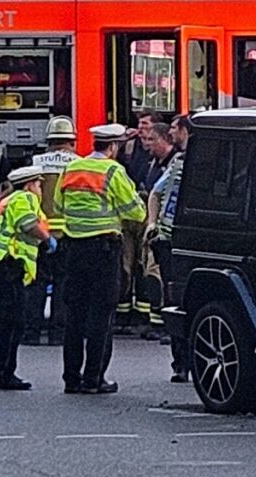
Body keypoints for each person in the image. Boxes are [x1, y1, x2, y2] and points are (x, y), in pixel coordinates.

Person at [57, 124, 146, 395]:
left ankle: (71, 378)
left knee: (75, 315)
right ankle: (93, 378)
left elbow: (59, 205)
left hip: (73, 250)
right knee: (101, 314)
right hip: (103, 250)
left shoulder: (71, 168)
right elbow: (135, 213)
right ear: (114, 147)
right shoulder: (113, 171)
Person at [0, 166, 55, 390]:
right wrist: (47, 239)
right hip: (6, 263)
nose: (40, 189)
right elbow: (27, 224)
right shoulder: (24, 197)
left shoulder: (8, 201)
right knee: (13, 321)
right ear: (30, 184)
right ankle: (3, 374)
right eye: (39, 184)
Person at [27, 116, 80, 346]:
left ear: (49, 140)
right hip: (68, 234)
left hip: (40, 233)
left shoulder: (36, 162)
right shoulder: (78, 164)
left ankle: (31, 332)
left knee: (36, 283)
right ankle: (59, 333)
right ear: (72, 141)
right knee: (63, 285)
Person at [146, 114, 191, 382]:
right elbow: (156, 193)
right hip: (168, 238)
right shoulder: (177, 162)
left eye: (175, 128)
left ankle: (191, 361)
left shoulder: (206, 162)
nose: (172, 132)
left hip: (191, 239)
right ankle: (180, 364)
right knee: (173, 299)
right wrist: (153, 224)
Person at [115, 109, 161, 334]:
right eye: (140, 124)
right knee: (125, 264)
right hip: (128, 213)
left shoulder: (157, 150)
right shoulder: (130, 147)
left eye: (145, 124)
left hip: (145, 214)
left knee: (144, 264)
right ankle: (123, 314)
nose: (141, 128)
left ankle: (143, 315)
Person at [139, 122, 179, 340]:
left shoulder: (177, 164)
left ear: (165, 139)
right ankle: (159, 322)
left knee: (160, 277)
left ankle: (164, 325)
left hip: (168, 231)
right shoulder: (156, 162)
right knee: (152, 274)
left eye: (152, 139)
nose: (148, 144)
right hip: (157, 229)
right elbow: (155, 192)